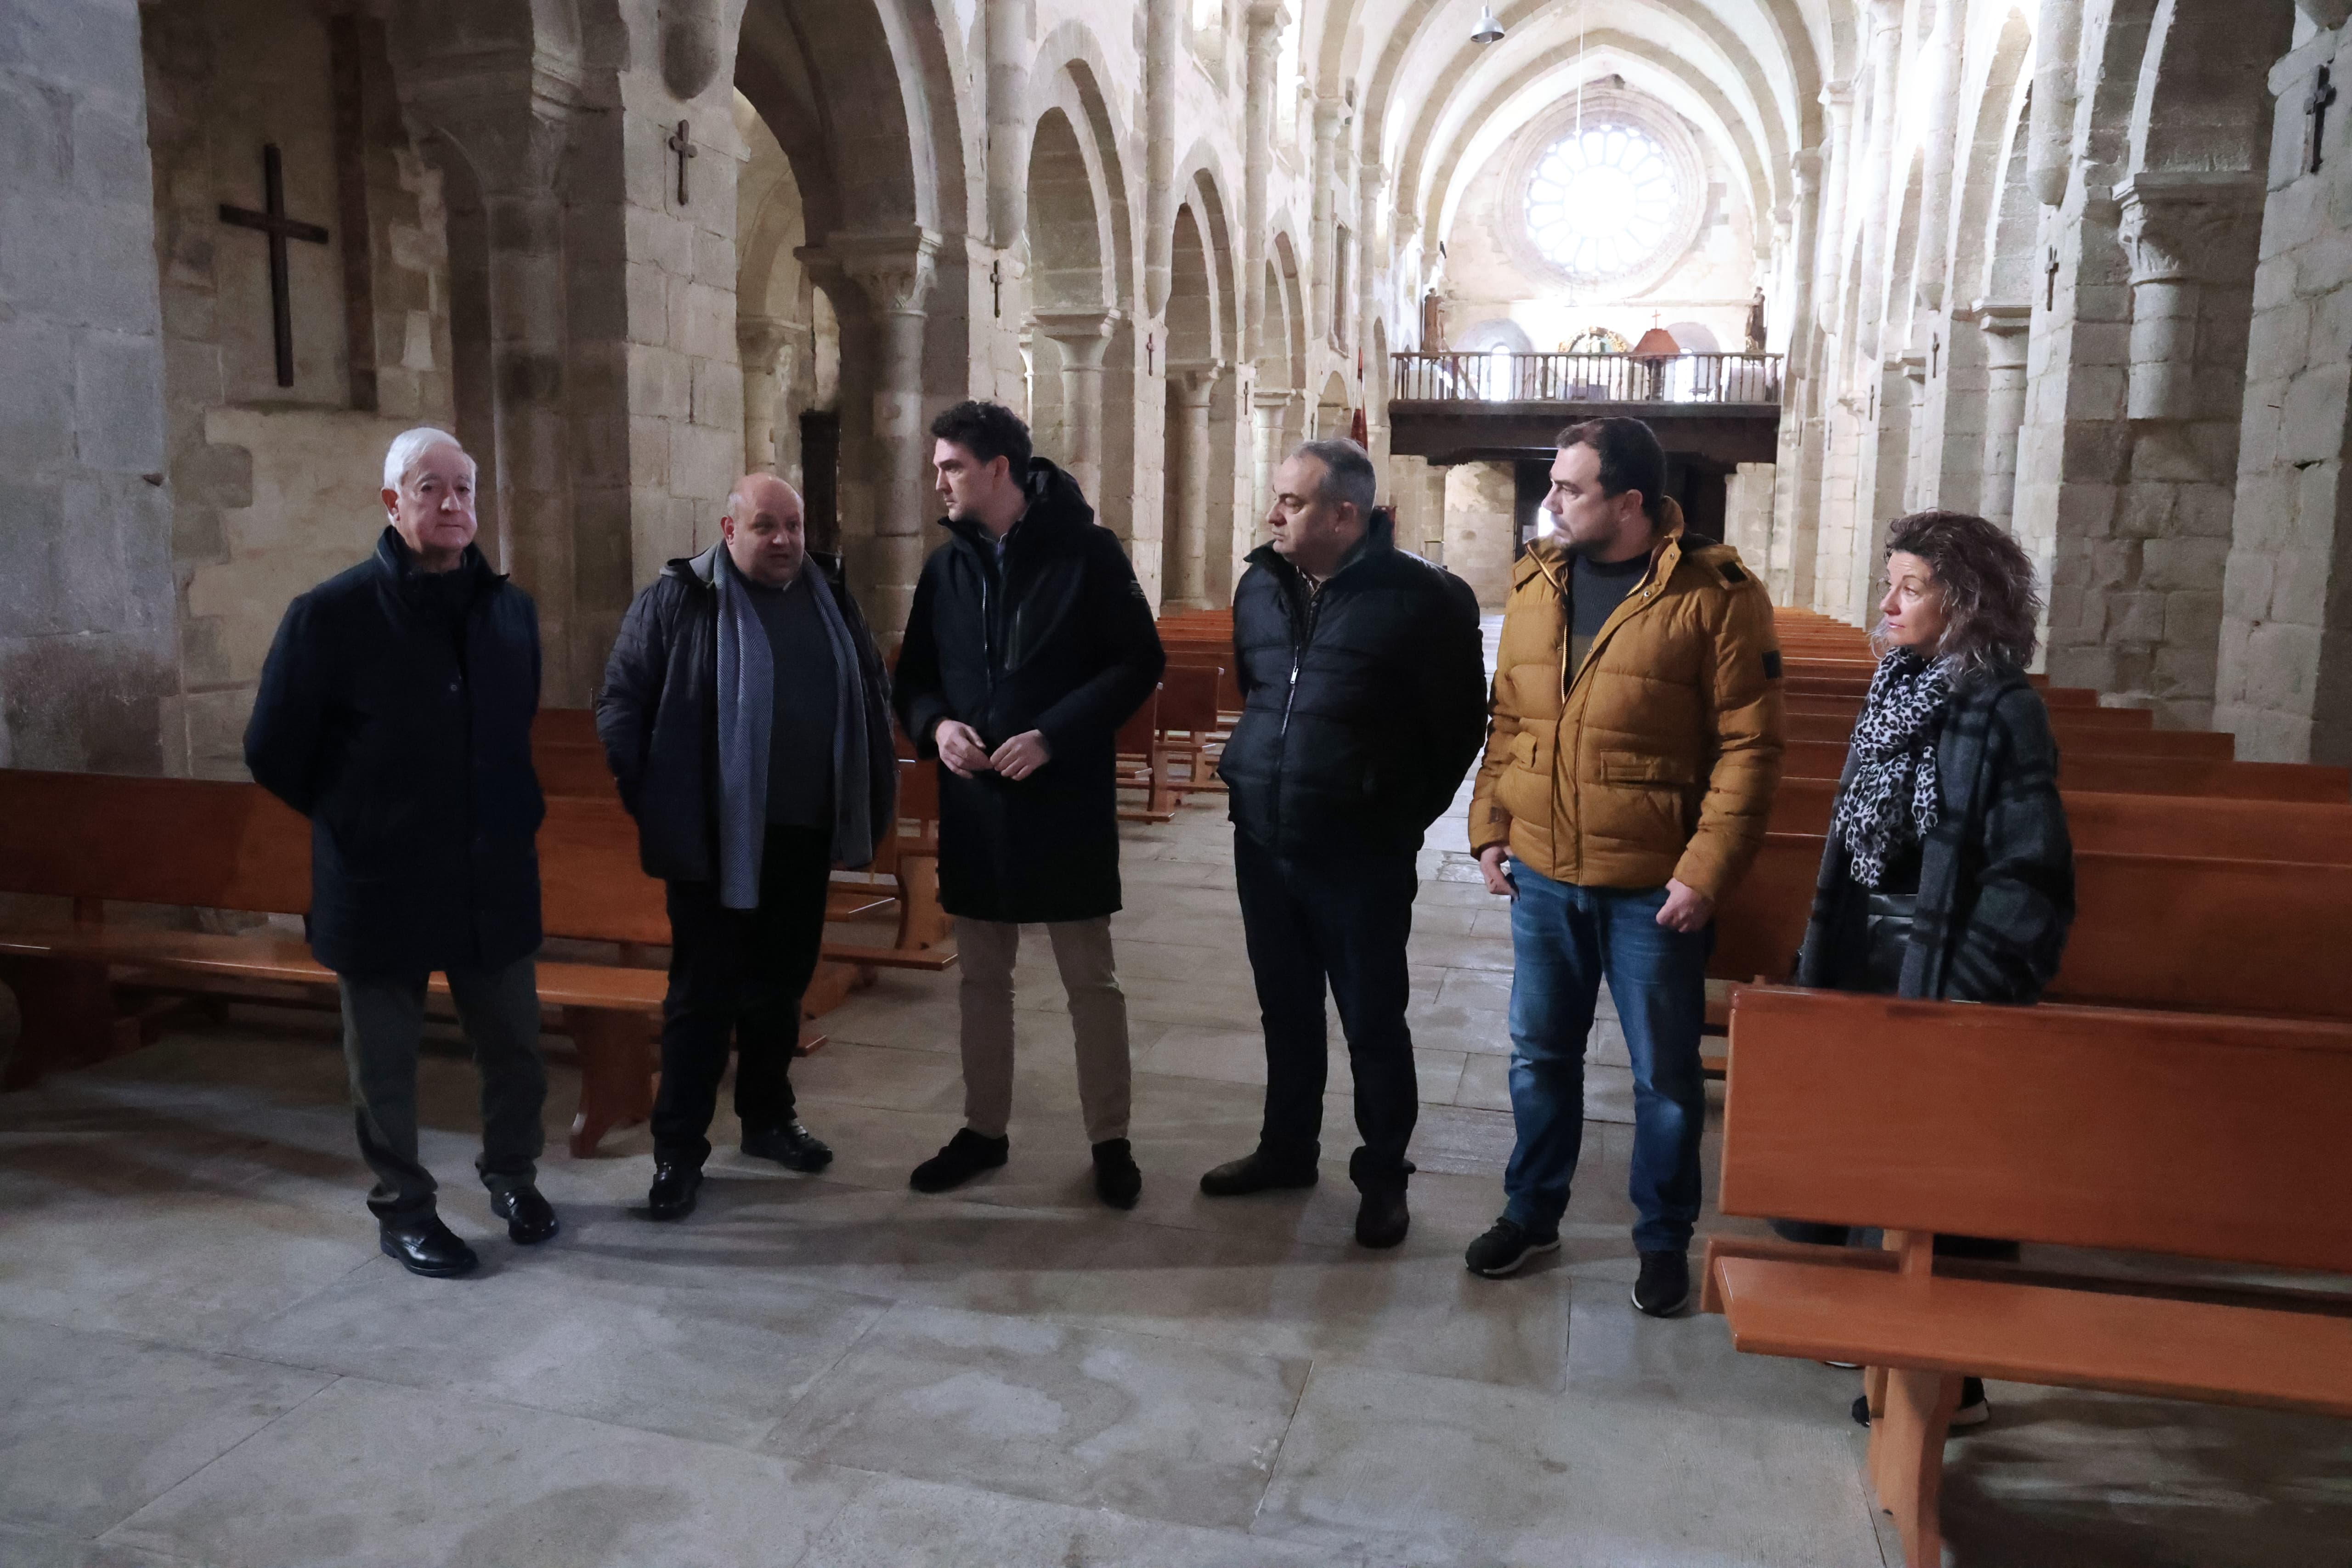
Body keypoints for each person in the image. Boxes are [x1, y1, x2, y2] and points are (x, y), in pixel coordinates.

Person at [1465, 417, 1784, 1314]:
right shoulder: (1537, 579)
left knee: (1664, 1078)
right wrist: (1491, 824)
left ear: (1630, 502)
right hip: (1543, 873)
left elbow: (1750, 748)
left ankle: (1662, 1239)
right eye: (1553, 484)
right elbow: (1510, 718)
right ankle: (1532, 1212)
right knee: (1538, 1057)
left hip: (1653, 884)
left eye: (1571, 488)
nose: (1551, 502)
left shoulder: (1716, 594)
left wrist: (1705, 870)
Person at [1788, 507, 2075, 1427]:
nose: (1888, 605)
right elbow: (1862, 835)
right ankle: (1875, 1316)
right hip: (1870, 948)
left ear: (1968, 600)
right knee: (1873, 1143)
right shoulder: (1895, 684)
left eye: (1910, 589)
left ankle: (1950, 1383)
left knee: (1943, 1169)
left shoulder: (2004, 706)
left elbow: (2032, 872)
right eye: (1891, 585)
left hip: (1943, 960)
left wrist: (1970, 993)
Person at [245, 426, 555, 1278]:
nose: (452, 504)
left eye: (464, 488)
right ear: (392, 502)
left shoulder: (511, 611)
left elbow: (513, 724)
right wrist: (362, 815)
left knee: (515, 1048)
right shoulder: (330, 615)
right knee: (384, 1066)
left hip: (491, 872)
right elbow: (273, 748)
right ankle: (405, 1210)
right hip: (381, 878)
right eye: (430, 488)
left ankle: (514, 1177)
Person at [1200, 439, 1487, 1249]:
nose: (1272, 515)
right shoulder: (1261, 584)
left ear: (1344, 515)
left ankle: (1384, 1175)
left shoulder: (1426, 599)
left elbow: (1459, 727)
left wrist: (1395, 818)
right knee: (1285, 1006)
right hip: (1264, 836)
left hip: (1361, 850)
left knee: (1372, 1018)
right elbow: (1261, 690)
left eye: (1291, 503)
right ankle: (1287, 1148)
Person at [596, 473, 895, 1222]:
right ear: (729, 530)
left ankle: (767, 1118)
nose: (785, 539)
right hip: (713, 839)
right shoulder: (679, 599)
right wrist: (658, 802)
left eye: (794, 524)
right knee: (702, 996)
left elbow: (869, 687)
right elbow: (622, 703)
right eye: (766, 525)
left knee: (780, 987)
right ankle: (678, 1151)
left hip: (803, 832)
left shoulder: (832, 596)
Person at [893, 401, 1165, 1208]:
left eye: (952, 466)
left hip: (1064, 801)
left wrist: (1054, 735)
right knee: (982, 978)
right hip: (977, 807)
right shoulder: (947, 568)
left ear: (999, 468)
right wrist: (937, 727)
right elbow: (913, 678)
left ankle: (1110, 1140)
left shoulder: (1087, 552)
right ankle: (984, 1129)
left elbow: (1138, 661)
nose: (939, 482)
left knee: (1090, 980)